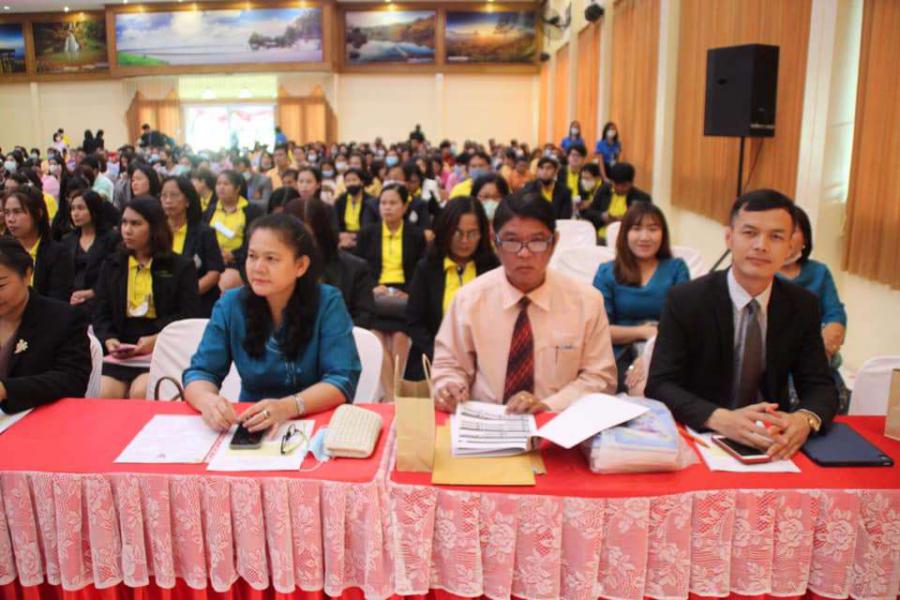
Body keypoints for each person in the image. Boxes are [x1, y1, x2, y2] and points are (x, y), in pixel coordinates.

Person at [646, 189, 839, 460]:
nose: (761, 245)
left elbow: (820, 385)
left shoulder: (802, 305)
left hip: (771, 441)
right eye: (750, 233)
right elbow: (660, 384)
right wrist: (719, 418)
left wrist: (804, 419)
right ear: (729, 238)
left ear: (790, 248)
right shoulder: (686, 299)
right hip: (702, 436)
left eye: (776, 237)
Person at [431, 192, 616, 414]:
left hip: (557, 420)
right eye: (512, 241)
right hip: (486, 421)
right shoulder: (469, 300)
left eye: (537, 241)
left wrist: (549, 404)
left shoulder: (586, 302)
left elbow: (600, 377)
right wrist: (450, 386)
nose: (524, 253)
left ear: (554, 242)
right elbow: (449, 365)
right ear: (494, 241)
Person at [183, 214, 361, 432]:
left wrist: (288, 407)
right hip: (252, 424)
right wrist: (207, 401)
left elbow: (342, 378)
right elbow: (201, 372)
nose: (258, 267)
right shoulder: (230, 305)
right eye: (252, 256)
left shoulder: (327, 302)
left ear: (301, 265)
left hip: (316, 422)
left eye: (271, 259)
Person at [93, 196, 201, 399]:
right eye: (124, 223)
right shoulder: (112, 264)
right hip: (121, 349)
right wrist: (109, 338)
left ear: (154, 228)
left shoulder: (180, 267)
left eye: (135, 224)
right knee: (104, 392)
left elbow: (189, 313)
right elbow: (101, 310)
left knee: (140, 392)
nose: (127, 230)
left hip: (161, 346)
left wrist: (157, 338)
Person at [592, 203, 689, 391]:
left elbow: (685, 323)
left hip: (667, 349)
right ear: (625, 233)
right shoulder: (607, 272)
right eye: (636, 229)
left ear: (663, 234)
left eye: (653, 229)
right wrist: (645, 332)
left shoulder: (677, 268)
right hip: (620, 353)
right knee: (641, 387)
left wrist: (650, 353)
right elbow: (599, 330)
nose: (645, 237)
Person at [406, 196, 499, 379]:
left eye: (472, 233)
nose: (464, 241)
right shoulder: (427, 268)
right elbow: (414, 321)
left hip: (484, 366)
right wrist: (442, 358)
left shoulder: (492, 269)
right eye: (457, 233)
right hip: (432, 363)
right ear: (445, 231)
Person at [0, 237, 91, 414]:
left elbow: (73, 380)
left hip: (40, 419)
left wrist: (7, 390)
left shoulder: (63, 319)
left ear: (27, 274)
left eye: (1, 285)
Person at [355, 183, 427, 401]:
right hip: (376, 294)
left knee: (400, 338)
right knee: (376, 338)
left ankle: (396, 390)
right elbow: (360, 268)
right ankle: (391, 395)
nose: (387, 207)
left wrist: (410, 292)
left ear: (405, 206)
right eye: (383, 203)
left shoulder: (416, 235)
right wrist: (373, 287)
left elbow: (420, 269)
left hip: (405, 296)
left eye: (393, 203)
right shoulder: (368, 233)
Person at [285, 197, 375, 329]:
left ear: (322, 234)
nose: (300, 244)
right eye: (293, 238)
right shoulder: (275, 268)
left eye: (308, 238)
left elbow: (364, 318)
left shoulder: (355, 269)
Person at [777, 206, 847, 363]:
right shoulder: (763, 273)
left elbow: (835, 313)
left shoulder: (819, 272)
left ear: (805, 239)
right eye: (779, 233)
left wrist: (827, 342)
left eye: (793, 231)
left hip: (816, 354)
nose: (786, 237)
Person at [161, 176, 225, 317]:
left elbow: (214, 273)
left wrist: (187, 294)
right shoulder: (156, 232)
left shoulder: (204, 232)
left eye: (174, 195)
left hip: (197, 301)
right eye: (164, 196)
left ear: (188, 201)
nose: (168, 200)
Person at [2, 187, 73, 302]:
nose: (10, 219)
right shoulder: (4, 251)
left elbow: (57, 301)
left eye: (17, 212)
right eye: (7, 213)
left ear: (38, 213)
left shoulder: (58, 254)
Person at [204, 170, 264, 292]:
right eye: (218, 184)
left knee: (220, 286)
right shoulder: (210, 210)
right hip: (212, 259)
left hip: (238, 262)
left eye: (226, 184)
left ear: (237, 188)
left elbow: (256, 241)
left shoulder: (252, 211)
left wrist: (233, 254)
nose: (221, 187)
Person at [63, 189, 118, 313]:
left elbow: (114, 275)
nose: (75, 213)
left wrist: (92, 292)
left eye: (81, 208)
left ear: (94, 210)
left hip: (100, 301)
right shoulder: (67, 240)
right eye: (72, 209)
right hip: (72, 300)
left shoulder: (111, 239)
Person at [581, 162, 651, 242]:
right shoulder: (604, 191)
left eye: (624, 185)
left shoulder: (642, 198)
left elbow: (646, 221)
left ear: (631, 183)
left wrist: (627, 219)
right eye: (616, 184)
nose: (620, 188)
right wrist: (602, 216)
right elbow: (589, 213)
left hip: (628, 239)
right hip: (602, 237)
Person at [334, 167, 379, 250]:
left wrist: (357, 236)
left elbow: (372, 226)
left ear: (362, 182)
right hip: (344, 238)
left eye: (354, 180)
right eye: (347, 181)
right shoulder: (340, 201)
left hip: (364, 239)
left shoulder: (371, 201)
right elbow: (336, 223)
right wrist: (341, 235)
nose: (351, 183)